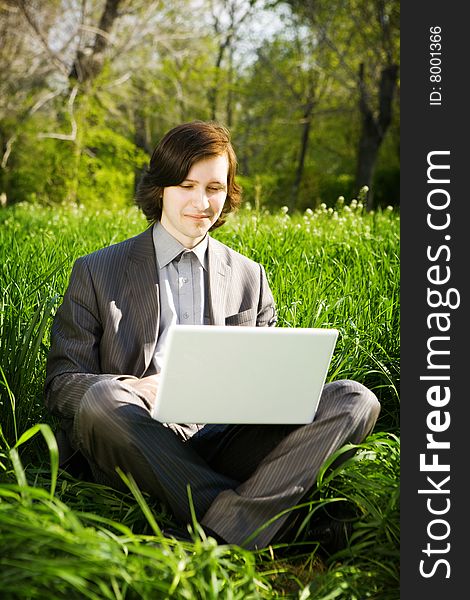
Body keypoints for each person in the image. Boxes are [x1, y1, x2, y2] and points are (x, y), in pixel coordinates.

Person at [45, 120, 380, 550]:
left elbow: (270, 380)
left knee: (355, 399)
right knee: (101, 400)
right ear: (161, 188)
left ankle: (216, 529)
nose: (202, 203)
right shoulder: (96, 271)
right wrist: (137, 389)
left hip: (226, 437)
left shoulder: (249, 277)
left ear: (228, 192)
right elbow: (60, 385)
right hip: (139, 438)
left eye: (215, 188)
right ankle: (270, 521)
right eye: (187, 185)